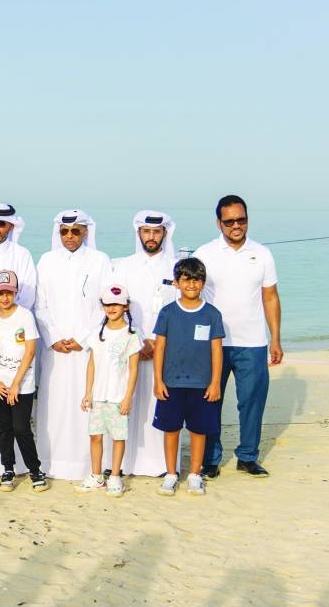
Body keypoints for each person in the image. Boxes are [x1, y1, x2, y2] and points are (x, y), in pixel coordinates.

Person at [193, 195, 282, 478]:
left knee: (252, 402)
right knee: (209, 403)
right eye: (229, 221)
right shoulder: (204, 254)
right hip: (213, 343)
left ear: (247, 219)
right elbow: (191, 296)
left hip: (253, 342)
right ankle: (211, 460)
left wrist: (276, 338)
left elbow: (270, 297)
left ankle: (247, 457)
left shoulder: (263, 254)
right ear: (219, 222)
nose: (236, 225)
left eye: (240, 219)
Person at [34, 210, 114, 480]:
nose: (69, 236)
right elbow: (40, 304)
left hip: (85, 349)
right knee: (53, 404)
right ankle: (50, 463)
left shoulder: (100, 260)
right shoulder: (46, 260)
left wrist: (81, 338)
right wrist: (55, 336)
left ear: (85, 232)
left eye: (75, 231)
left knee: (85, 404)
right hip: (55, 349)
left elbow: (105, 303)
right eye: (64, 231)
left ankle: (84, 465)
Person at [114, 211, 181, 476]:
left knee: (159, 403)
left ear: (165, 233)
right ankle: (122, 464)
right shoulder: (124, 266)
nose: (151, 237)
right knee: (125, 401)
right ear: (138, 233)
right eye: (146, 231)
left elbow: (181, 307)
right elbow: (117, 304)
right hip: (131, 346)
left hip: (165, 347)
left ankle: (159, 466)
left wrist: (157, 342)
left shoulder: (176, 267)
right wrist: (138, 341)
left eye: (156, 232)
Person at [152, 258, 224, 496]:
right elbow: (160, 348)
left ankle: (194, 474)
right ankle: (171, 473)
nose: (191, 284)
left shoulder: (212, 314)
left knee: (198, 430)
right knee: (171, 429)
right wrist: (158, 380)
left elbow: (216, 350)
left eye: (196, 279)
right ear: (176, 283)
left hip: (202, 384)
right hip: (171, 383)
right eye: (186, 279)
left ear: (202, 283)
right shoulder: (167, 313)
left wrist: (215, 382)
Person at [0, 270, 48, 492]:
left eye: (9, 292)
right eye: (0, 293)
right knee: (4, 428)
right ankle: (8, 468)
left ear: (16, 292)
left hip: (23, 385)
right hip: (0, 384)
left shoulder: (25, 316)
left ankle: (35, 469)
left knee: (22, 428)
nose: (5, 298)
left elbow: (30, 351)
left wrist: (17, 384)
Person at [78, 284, 142, 497]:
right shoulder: (98, 332)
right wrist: (88, 392)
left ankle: (115, 476)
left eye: (117, 303)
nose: (112, 308)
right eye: (108, 304)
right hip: (98, 397)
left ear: (126, 306)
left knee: (118, 437)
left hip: (117, 397)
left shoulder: (132, 334)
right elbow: (92, 364)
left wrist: (127, 397)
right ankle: (96, 476)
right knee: (95, 436)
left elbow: (133, 369)